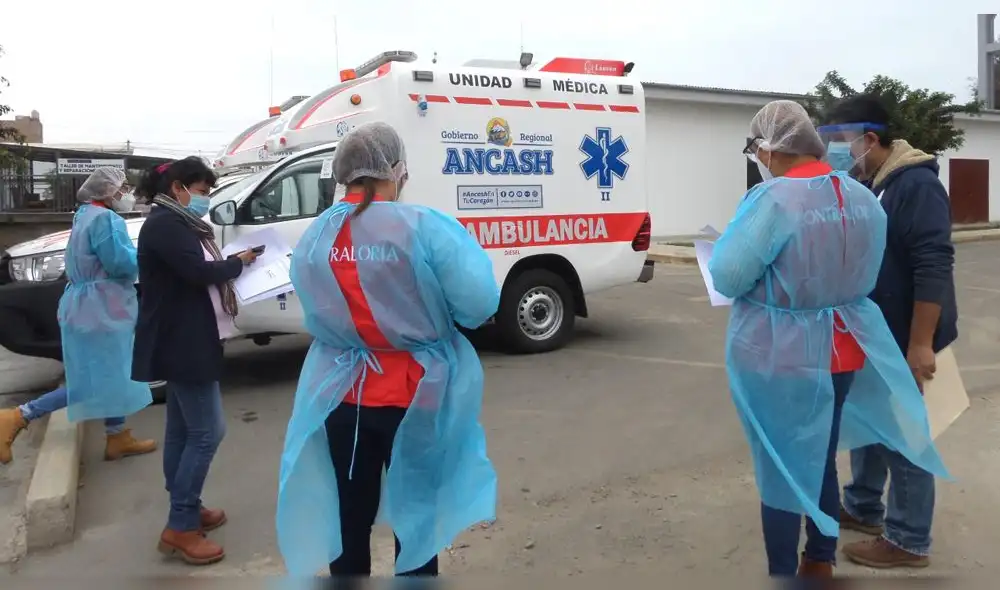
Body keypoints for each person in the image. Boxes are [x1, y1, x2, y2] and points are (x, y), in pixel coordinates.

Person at [708, 100, 949, 578]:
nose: (757, 157)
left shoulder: (773, 200)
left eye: (756, 148)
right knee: (820, 450)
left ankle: (783, 570)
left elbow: (729, 274)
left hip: (782, 355)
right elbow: (868, 269)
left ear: (772, 147)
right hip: (842, 349)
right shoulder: (862, 197)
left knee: (781, 463)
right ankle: (819, 559)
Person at [276, 122, 500, 579]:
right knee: (415, 522)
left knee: (349, 520)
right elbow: (478, 303)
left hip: (340, 395)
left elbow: (313, 306)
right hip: (413, 398)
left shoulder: (317, 235)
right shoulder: (424, 226)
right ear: (395, 170)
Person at [819, 94, 958, 569]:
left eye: (838, 142)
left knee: (903, 435)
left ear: (869, 139)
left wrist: (921, 343)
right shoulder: (869, 182)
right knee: (871, 423)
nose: (833, 151)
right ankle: (863, 506)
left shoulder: (915, 185)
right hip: (875, 330)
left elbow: (933, 263)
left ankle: (908, 539)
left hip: (904, 335)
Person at [132, 157, 259, 566]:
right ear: (178, 189)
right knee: (207, 432)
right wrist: (237, 264)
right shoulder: (166, 225)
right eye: (202, 192)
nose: (205, 200)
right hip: (183, 341)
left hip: (185, 337)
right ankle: (181, 524)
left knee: (183, 431)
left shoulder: (176, 223)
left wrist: (233, 262)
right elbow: (197, 271)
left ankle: (187, 507)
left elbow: (198, 268)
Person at [0, 167, 156, 465]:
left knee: (113, 373)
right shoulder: (106, 220)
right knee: (95, 382)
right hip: (103, 308)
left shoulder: (84, 215)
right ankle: (18, 416)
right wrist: (146, 257)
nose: (126, 195)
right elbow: (120, 264)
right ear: (107, 191)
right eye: (122, 189)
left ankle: (117, 435)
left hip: (86, 304)